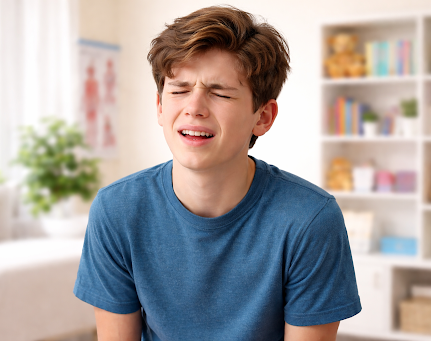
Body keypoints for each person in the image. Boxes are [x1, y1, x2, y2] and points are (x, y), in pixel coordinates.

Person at [74, 5, 361, 341]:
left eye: (220, 92)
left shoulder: (309, 220)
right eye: (179, 90)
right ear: (160, 107)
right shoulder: (117, 210)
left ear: (263, 117)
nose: (193, 107)